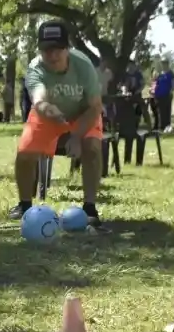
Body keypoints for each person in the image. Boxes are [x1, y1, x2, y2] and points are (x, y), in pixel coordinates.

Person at [9, 20, 106, 227]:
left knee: (92, 148)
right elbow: (38, 99)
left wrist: (76, 135)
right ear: (40, 50)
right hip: (48, 115)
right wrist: (47, 108)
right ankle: (25, 205)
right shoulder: (35, 68)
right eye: (47, 50)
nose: (52, 55)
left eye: (58, 49)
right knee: (24, 153)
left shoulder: (83, 66)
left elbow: (96, 106)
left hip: (83, 113)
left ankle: (90, 207)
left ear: (67, 48)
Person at [151, 60, 174, 133]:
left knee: (167, 111)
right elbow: (155, 83)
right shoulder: (160, 74)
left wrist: (171, 91)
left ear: (167, 64)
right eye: (163, 64)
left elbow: (173, 84)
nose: (164, 65)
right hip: (158, 95)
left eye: (165, 64)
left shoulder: (171, 73)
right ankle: (161, 127)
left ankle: (167, 127)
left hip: (167, 95)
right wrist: (153, 91)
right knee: (160, 112)